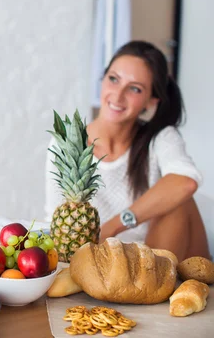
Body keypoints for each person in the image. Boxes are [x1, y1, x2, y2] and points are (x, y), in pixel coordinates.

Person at [45, 41, 210, 261]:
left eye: (135, 88)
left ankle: (178, 285)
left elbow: (186, 182)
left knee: (180, 199)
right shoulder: (66, 144)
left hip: (153, 259)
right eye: (113, 79)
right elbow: (57, 221)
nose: (118, 94)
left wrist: (113, 226)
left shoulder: (160, 138)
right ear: (102, 80)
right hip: (97, 261)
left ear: (151, 101)